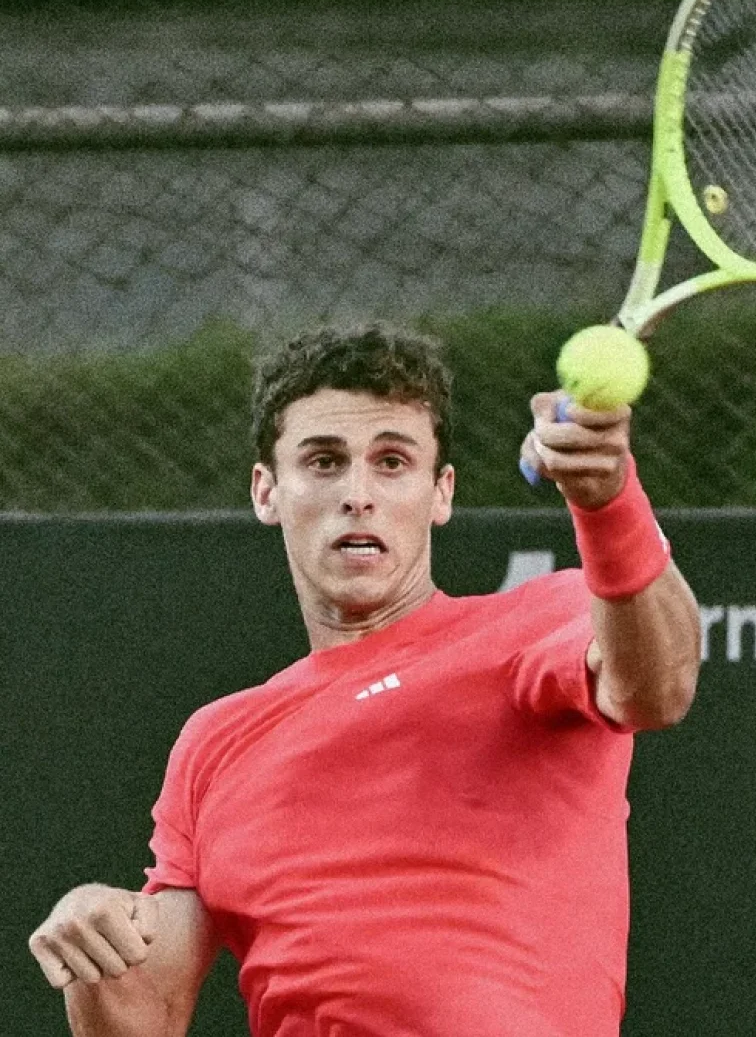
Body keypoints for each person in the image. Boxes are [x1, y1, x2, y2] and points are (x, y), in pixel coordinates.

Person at [29, 322, 701, 1036]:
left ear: (440, 492)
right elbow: (148, 1010)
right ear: (266, 491)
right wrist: (95, 939)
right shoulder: (213, 742)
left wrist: (609, 502)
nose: (358, 492)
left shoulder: (537, 623)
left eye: (392, 462)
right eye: (323, 462)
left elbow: (657, 685)